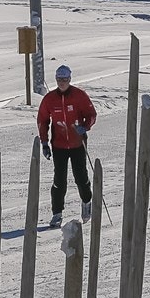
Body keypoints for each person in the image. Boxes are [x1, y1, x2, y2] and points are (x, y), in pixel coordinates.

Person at [36, 64, 96, 226]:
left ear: (70, 79)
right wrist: (44, 142)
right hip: (59, 145)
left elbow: (91, 114)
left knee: (81, 176)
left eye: (65, 79)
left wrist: (85, 126)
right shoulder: (50, 99)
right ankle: (57, 213)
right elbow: (42, 120)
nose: (62, 82)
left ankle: (86, 203)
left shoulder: (79, 95)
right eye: (59, 79)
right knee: (59, 180)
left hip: (77, 143)